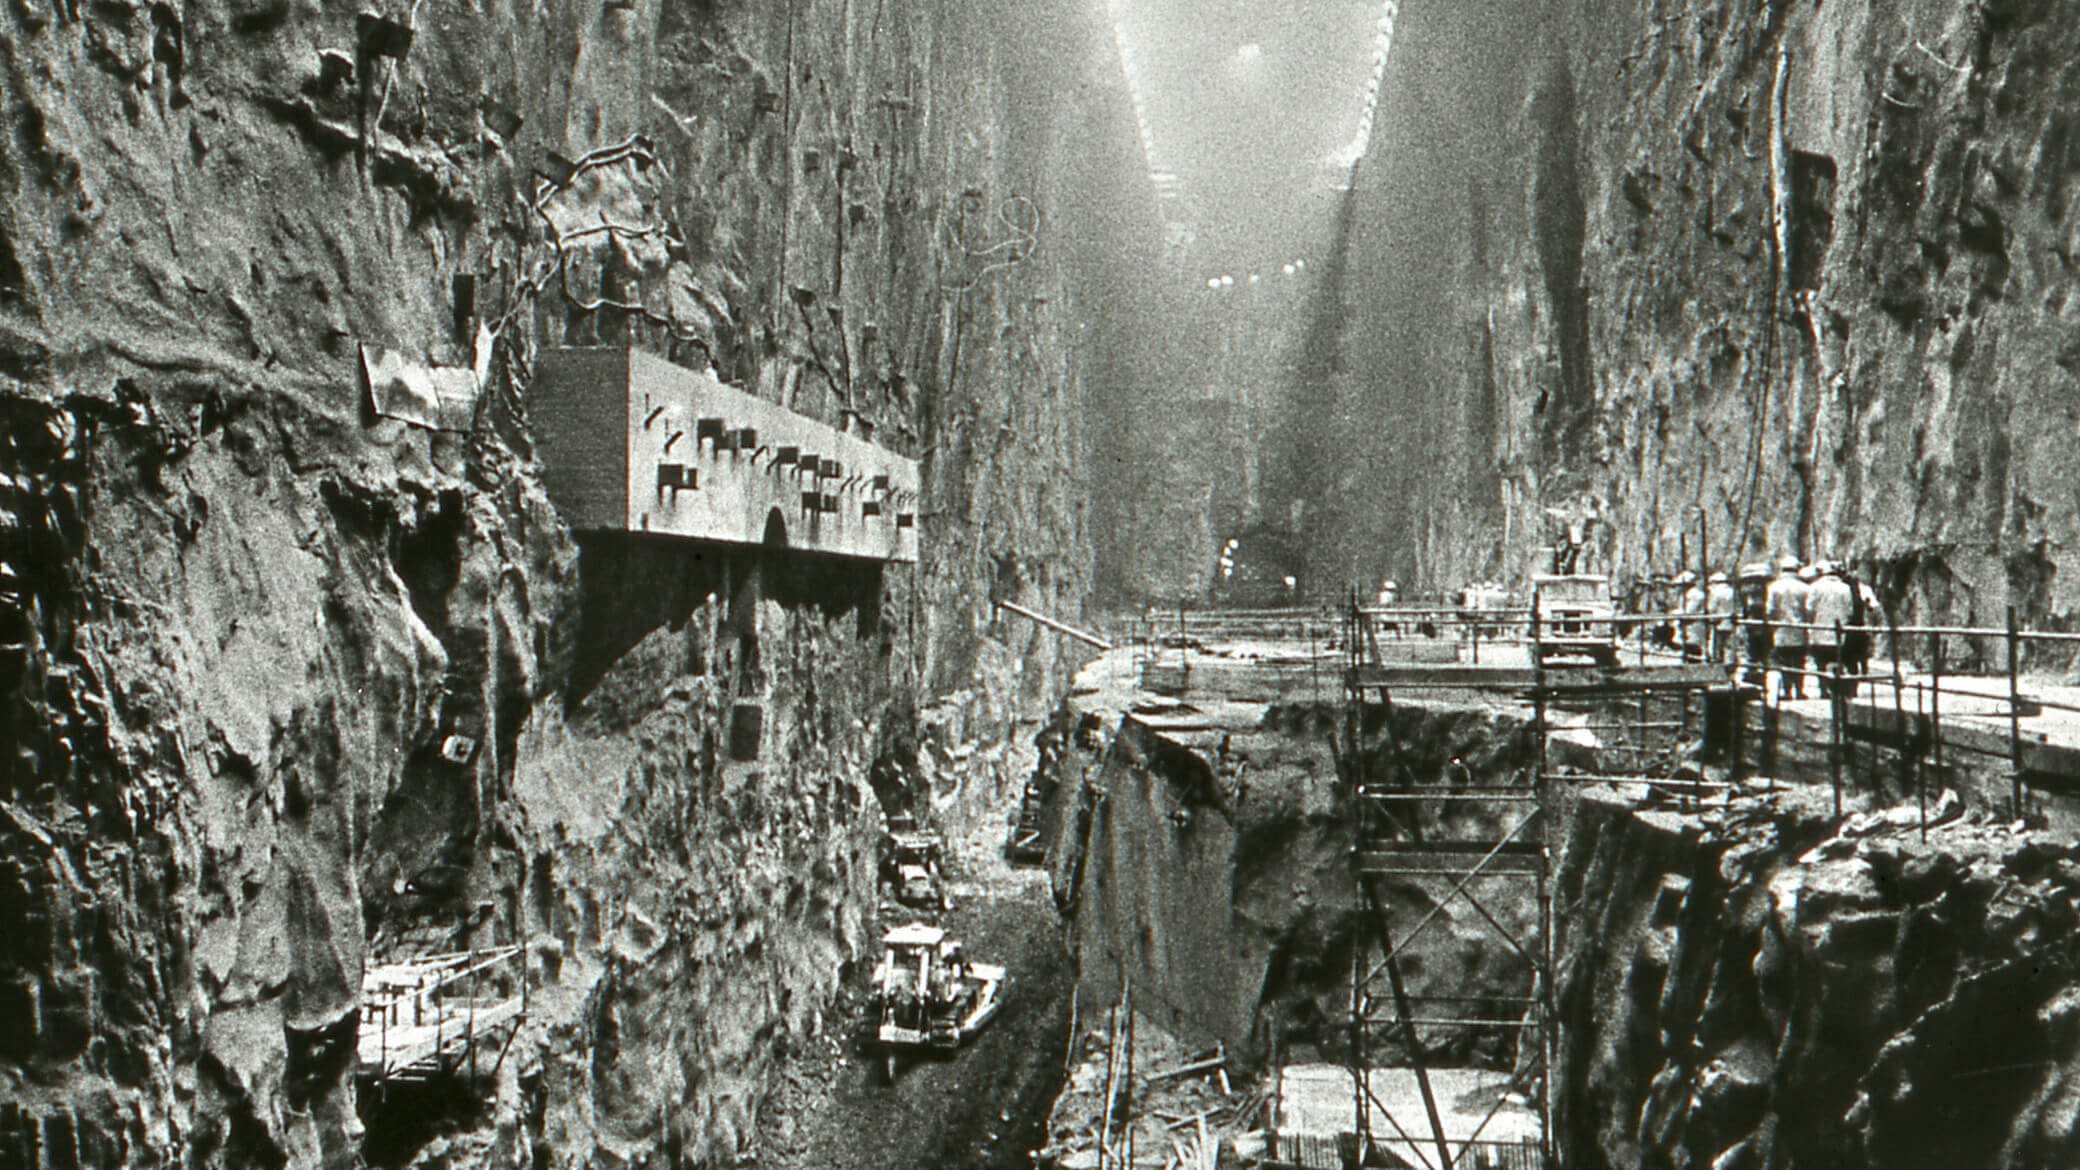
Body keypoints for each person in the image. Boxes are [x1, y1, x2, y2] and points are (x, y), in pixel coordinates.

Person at [1806, 562, 1856, 698]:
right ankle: (1838, 688)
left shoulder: (1814, 587)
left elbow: (1809, 609)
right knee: (1838, 660)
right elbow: (1850, 610)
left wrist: (1812, 623)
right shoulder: (1845, 588)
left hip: (1819, 629)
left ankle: (1823, 689)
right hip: (1839, 631)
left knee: (1821, 662)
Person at [1766, 555, 1810, 701]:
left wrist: (1772, 624)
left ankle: (1786, 690)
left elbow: (1770, 610)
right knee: (1799, 661)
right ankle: (1799, 690)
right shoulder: (1804, 588)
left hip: (1781, 629)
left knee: (1783, 660)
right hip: (1799, 629)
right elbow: (1808, 610)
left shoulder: (1774, 587)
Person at [1736, 561, 1774, 685]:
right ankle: (1756, 674)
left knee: (1757, 650)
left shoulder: (1748, 590)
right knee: (1758, 649)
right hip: (1757, 623)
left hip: (1756, 623)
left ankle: (1757, 672)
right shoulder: (1755, 591)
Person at [1705, 571, 1737, 663]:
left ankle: (1717, 661)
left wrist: (1711, 619)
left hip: (1718, 622)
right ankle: (1730, 662)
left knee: (1717, 645)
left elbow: (1712, 607)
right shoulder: (1732, 592)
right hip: (1730, 622)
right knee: (1729, 646)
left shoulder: (1716, 592)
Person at [1674, 571, 1707, 661]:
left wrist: (1676, 613)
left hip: (1693, 625)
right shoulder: (1685, 595)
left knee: (1693, 649)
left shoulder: (1694, 595)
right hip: (1687, 626)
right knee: (1687, 649)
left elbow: (1689, 611)